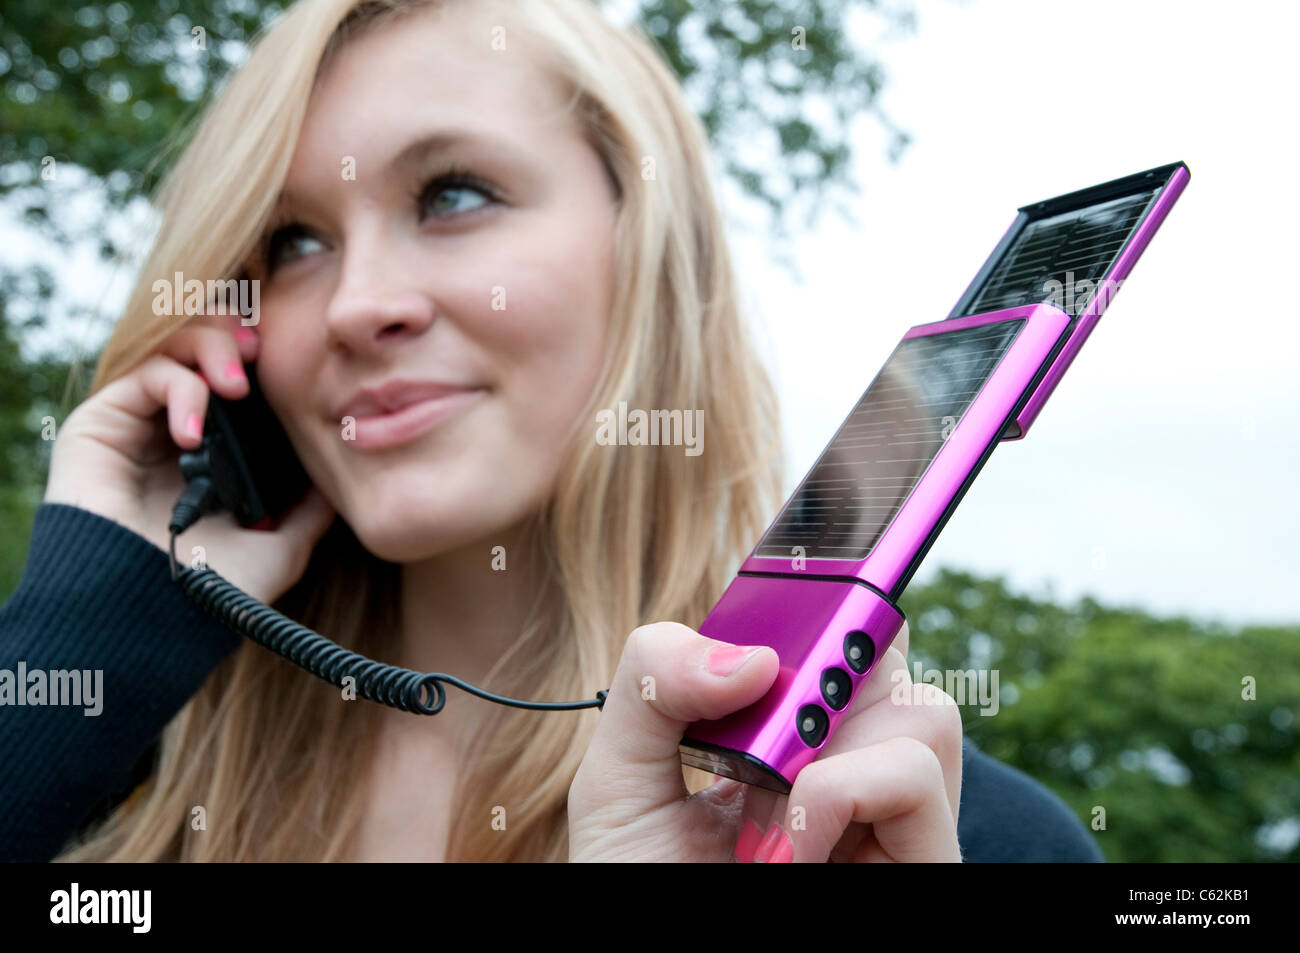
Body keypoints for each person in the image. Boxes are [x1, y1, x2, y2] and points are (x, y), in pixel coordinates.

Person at [0, 0, 1102, 862]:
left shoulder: (935, 832)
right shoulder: (96, 763)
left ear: (648, 251)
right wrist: (91, 614)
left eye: (453, 195)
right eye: (290, 243)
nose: (352, 304)